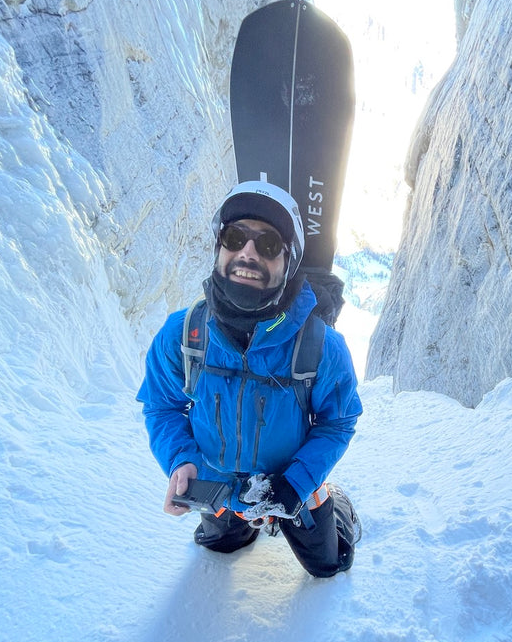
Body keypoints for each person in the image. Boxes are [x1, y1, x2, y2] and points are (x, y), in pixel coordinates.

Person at [137, 180, 362, 577]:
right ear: (219, 248)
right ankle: (242, 526)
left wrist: (300, 482)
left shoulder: (321, 346)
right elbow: (162, 406)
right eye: (234, 237)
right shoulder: (184, 334)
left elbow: (338, 421)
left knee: (330, 564)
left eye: (269, 244)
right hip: (219, 484)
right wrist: (181, 461)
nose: (247, 253)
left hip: (291, 483)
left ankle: (332, 500)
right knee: (221, 547)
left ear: (289, 261)